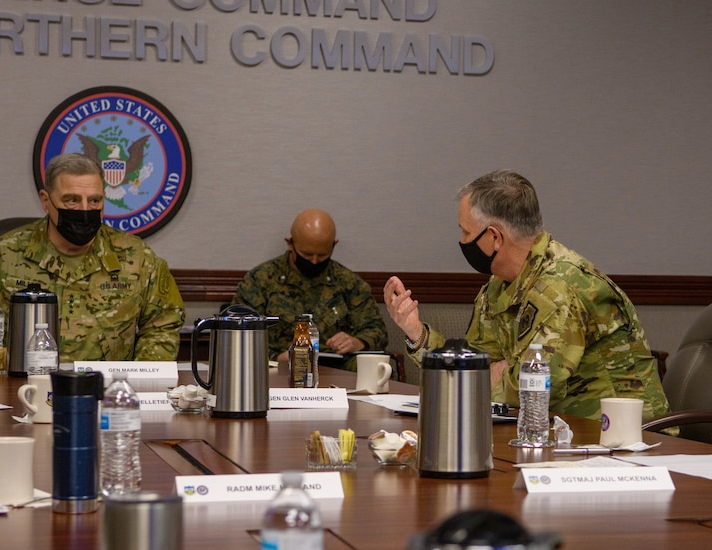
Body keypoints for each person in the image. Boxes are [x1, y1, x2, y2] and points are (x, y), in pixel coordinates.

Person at [384, 169, 669, 421]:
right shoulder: (499, 286)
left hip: (625, 442)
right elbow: (469, 371)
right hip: (557, 435)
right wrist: (417, 333)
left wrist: (498, 372)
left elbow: (529, 387)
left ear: (494, 237)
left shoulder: (561, 288)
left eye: (465, 232)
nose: (461, 242)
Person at [0, 153, 185, 362]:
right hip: (19, 392)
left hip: (105, 394)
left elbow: (163, 325)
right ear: (46, 201)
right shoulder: (1, 256)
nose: (85, 210)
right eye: (72, 200)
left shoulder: (137, 258)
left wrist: (135, 382)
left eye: (95, 201)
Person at [232, 209, 388, 369]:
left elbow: (377, 330)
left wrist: (358, 342)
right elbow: (239, 333)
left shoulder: (348, 282)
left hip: (336, 370)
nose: (314, 262)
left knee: (377, 369)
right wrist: (277, 357)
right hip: (277, 367)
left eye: (322, 255)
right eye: (306, 255)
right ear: (290, 243)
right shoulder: (261, 280)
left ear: (334, 245)